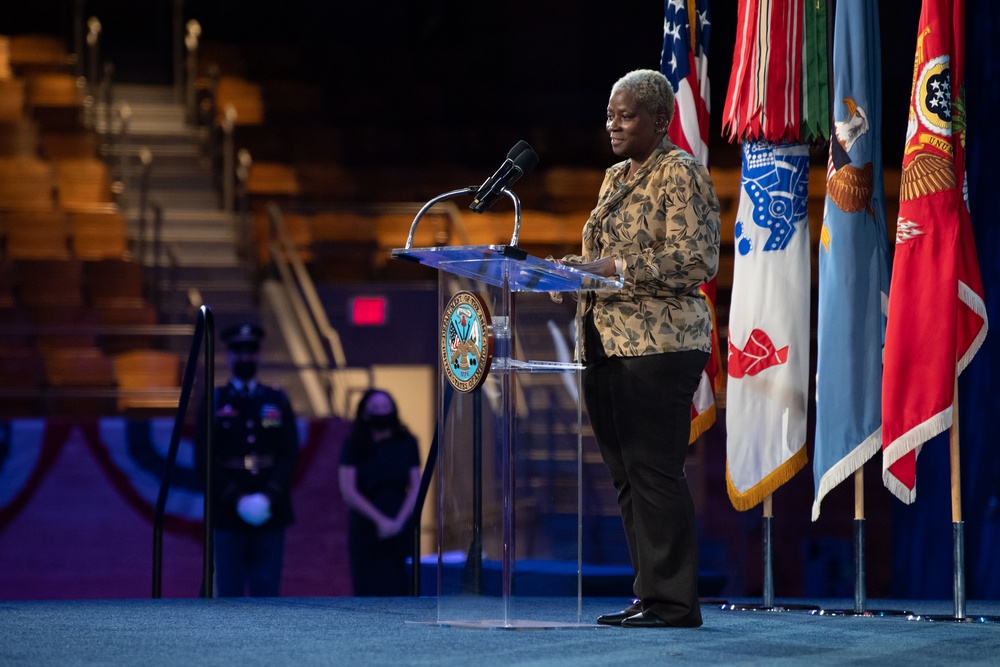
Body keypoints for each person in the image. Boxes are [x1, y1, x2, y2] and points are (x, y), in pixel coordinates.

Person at [558, 69, 720, 628]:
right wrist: (573, 272)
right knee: (627, 475)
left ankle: (675, 603)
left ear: (658, 119)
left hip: (660, 345)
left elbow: (697, 260)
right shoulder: (614, 177)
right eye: (609, 114)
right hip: (606, 343)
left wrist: (616, 268)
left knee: (654, 472)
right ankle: (652, 594)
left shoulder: (681, 174)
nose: (613, 124)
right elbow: (604, 256)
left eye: (625, 115)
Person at [196, 323, 300, 597]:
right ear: (228, 356)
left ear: (258, 355)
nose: (244, 357)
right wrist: (236, 498)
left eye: (250, 351)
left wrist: (268, 496)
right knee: (227, 588)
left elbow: (289, 453)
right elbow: (203, 457)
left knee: (267, 588)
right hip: (228, 509)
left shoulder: (275, 399)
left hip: (271, 507)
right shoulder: (215, 400)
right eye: (238, 351)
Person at [338, 389, 422, 596]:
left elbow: (416, 486)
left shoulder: (408, 442)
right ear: (365, 413)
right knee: (368, 588)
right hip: (366, 525)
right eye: (375, 408)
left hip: (401, 521)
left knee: (401, 585)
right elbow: (349, 490)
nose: (381, 412)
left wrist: (399, 523)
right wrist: (381, 521)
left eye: (385, 407)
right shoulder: (353, 444)